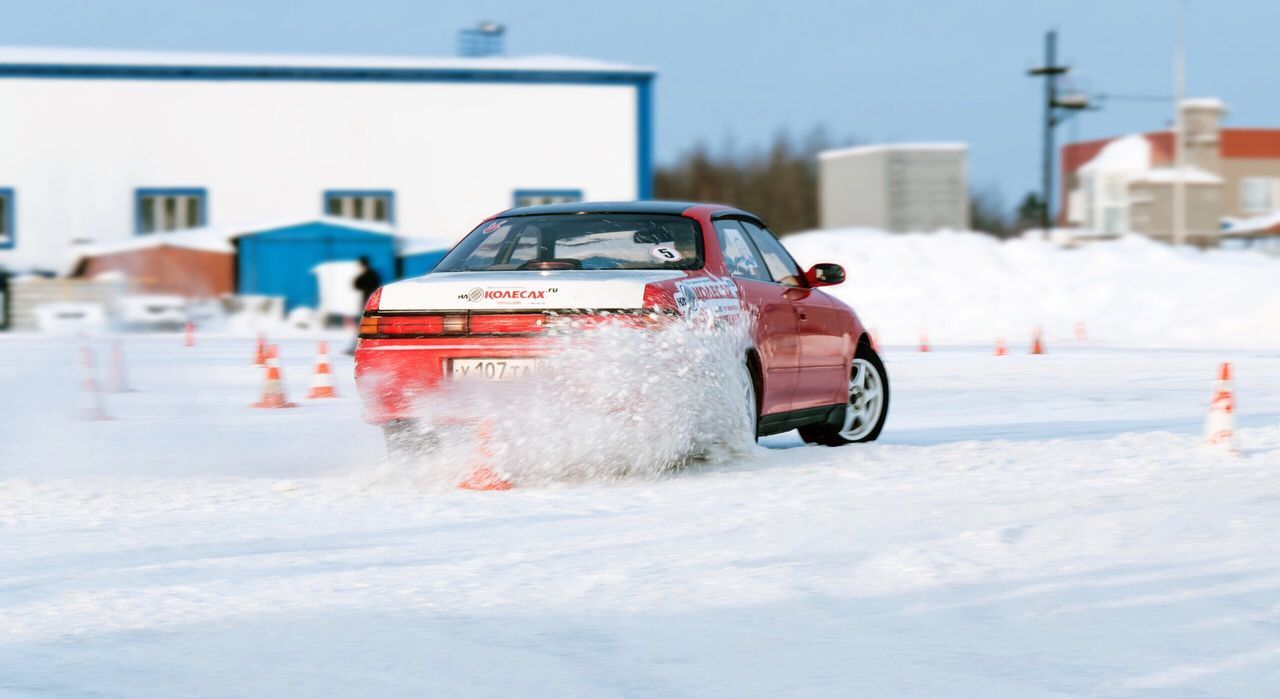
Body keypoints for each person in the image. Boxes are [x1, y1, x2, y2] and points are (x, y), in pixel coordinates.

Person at [349, 257, 382, 354]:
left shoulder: (367, 275)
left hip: (367, 304)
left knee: (365, 326)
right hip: (373, 303)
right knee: (368, 326)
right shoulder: (374, 274)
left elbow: (356, 284)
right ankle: (365, 346)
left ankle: (362, 347)